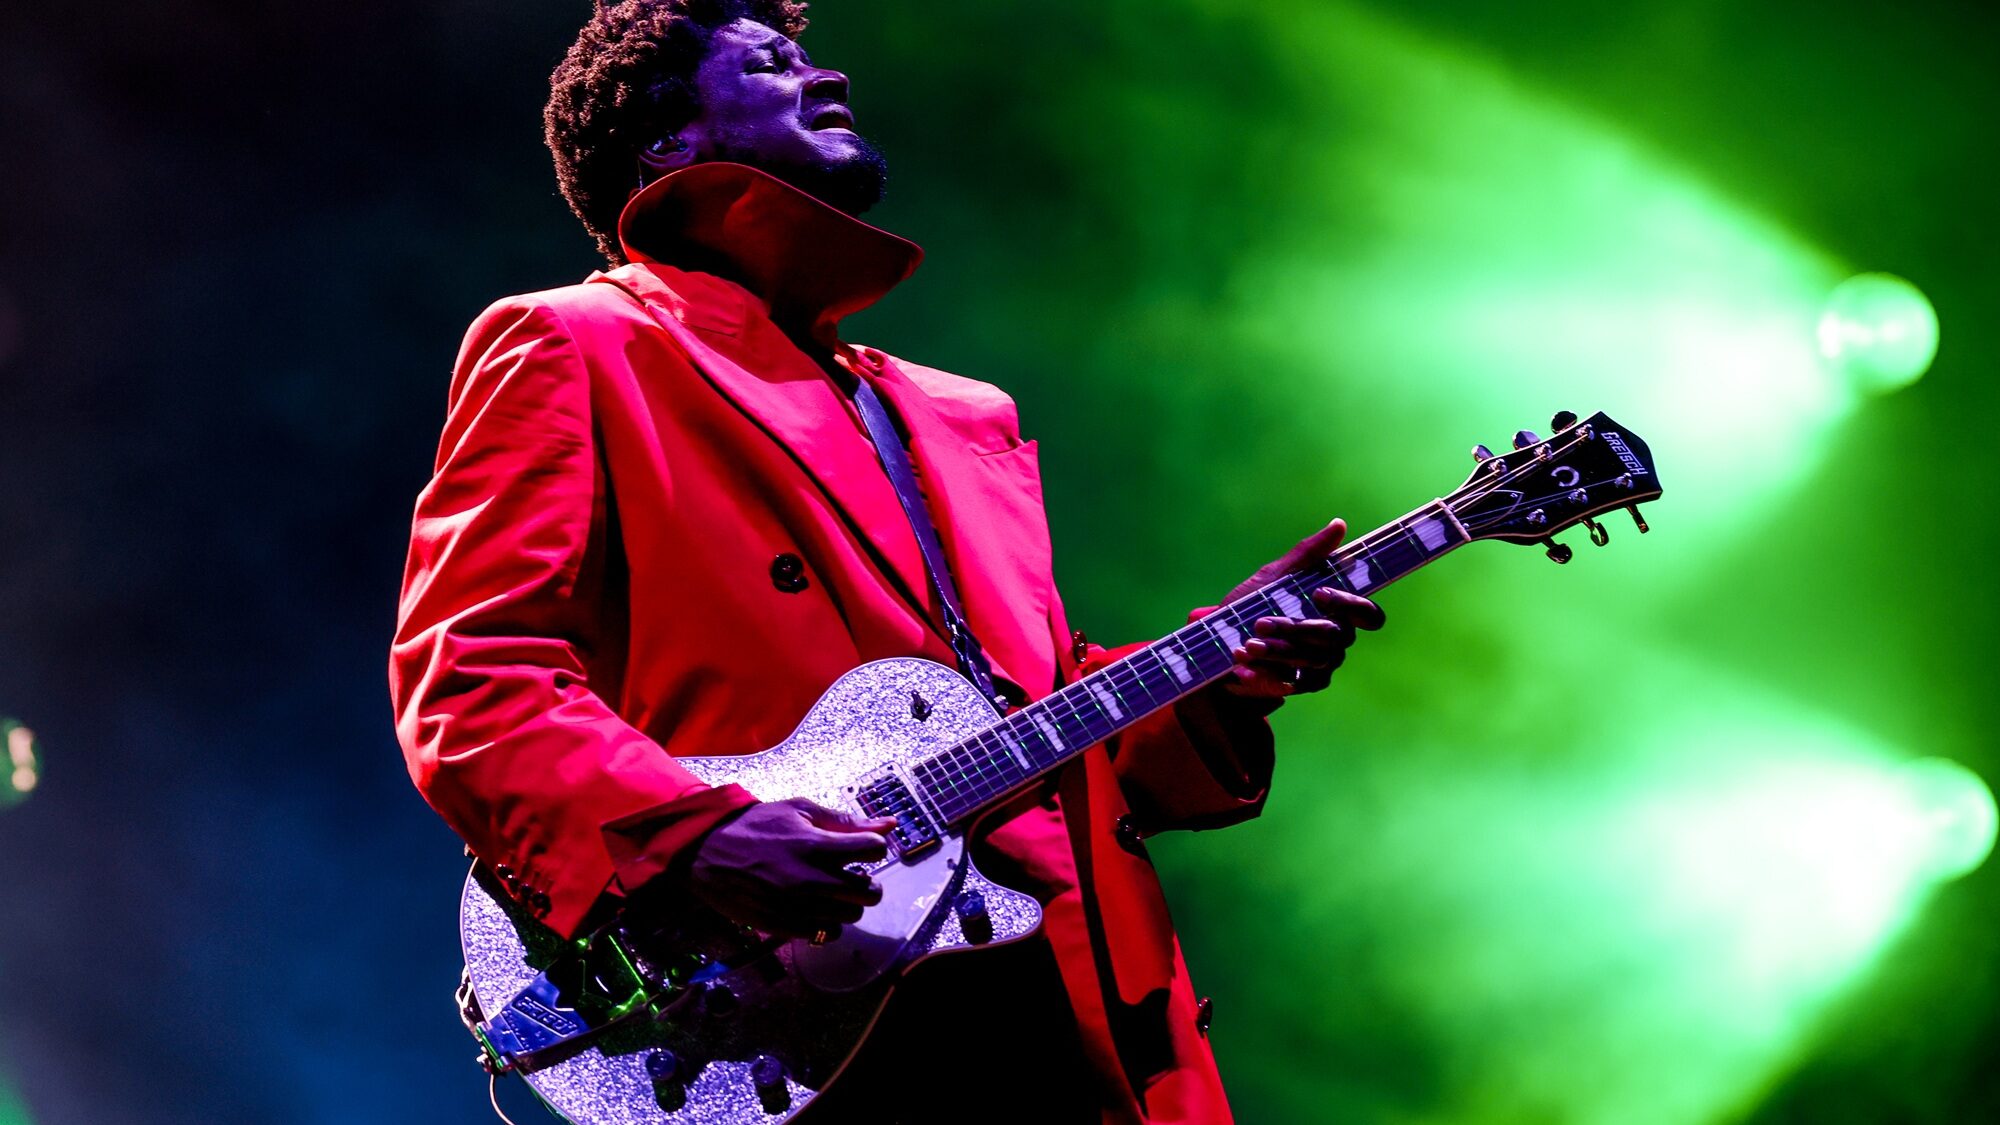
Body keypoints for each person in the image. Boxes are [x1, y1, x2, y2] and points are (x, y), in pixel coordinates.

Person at [390, 2, 1384, 1121]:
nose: (831, 78)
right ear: (665, 139)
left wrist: (1217, 672)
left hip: (1072, 1015)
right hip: (801, 1023)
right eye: (775, 62)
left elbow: (1041, 740)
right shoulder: (578, 343)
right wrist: (691, 834)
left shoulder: (956, 415)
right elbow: (471, 679)